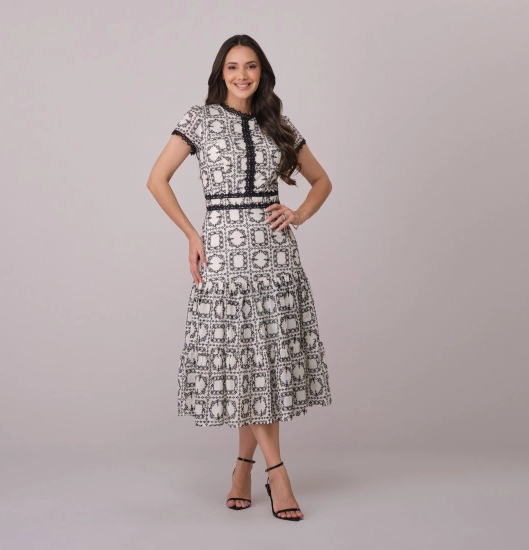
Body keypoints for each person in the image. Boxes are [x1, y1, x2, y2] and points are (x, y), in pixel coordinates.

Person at [146, 34, 332, 521]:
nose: (242, 75)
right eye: (232, 66)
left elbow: (322, 181)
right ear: (220, 73)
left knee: (263, 362)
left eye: (250, 66)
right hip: (224, 255)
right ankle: (278, 473)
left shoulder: (278, 124)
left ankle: (243, 470)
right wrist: (192, 234)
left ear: (262, 72)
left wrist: (298, 214)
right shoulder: (200, 119)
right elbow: (156, 179)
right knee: (246, 359)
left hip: (275, 258)